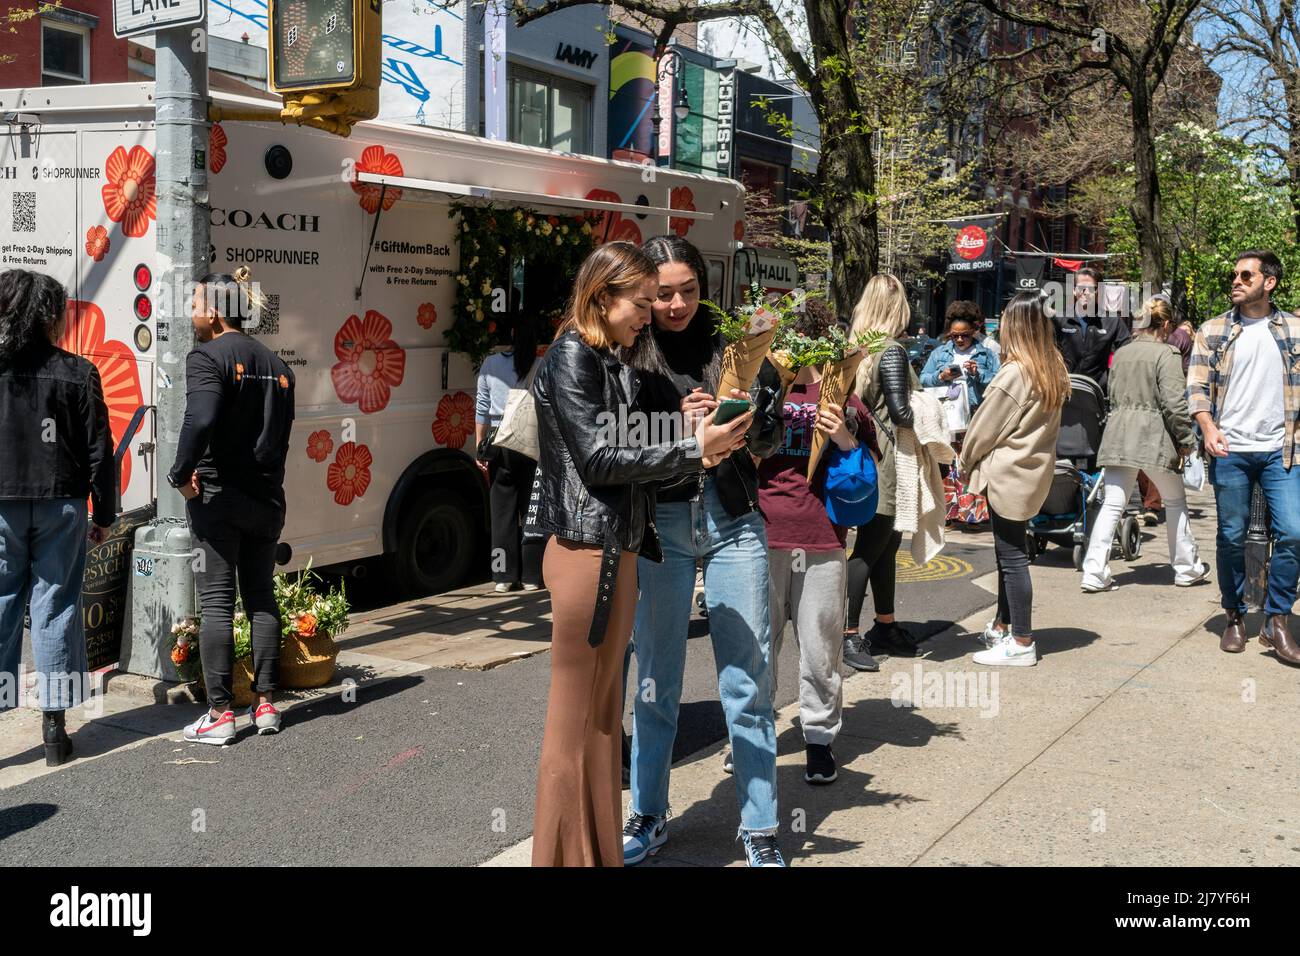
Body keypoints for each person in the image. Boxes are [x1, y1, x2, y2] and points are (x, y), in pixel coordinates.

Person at [524, 242, 754, 866]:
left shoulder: (605, 357)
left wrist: (682, 431)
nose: (650, 314)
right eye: (642, 302)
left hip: (614, 546)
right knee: (574, 722)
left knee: (601, 721)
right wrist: (691, 450)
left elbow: (619, 443)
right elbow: (598, 460)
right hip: (585, 549)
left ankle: (594, 854)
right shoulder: (574, 353)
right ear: (603, 296)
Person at [620, 235, 786, 868]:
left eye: (688, 289)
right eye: (663, 292)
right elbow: (615, 441)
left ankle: (761, 826)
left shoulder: (739, 346)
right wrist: (681, 429)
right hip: (662, 522)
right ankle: (650, 814)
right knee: (656, 681)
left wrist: (738, 419)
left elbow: (771, 438)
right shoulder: (633, 350)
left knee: (747, 679)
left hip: (732, 518)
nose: (676, 302)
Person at [169, 267, 296, 744]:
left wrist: (180, 476)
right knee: (261, 597)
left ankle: (221, 714)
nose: (192, 310)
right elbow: (281, 441)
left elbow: (199, 419)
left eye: (197, 301)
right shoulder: (280, 368)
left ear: (217, 310)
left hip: (217, 498)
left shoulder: (205, 358)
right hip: (266, 500)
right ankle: (266, 705)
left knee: (218, 602)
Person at [760, 304, 878, 786]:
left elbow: (870, 455)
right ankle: (752, 736)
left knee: (820, 648)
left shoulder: (843, 393)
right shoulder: (762, 384)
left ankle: (819, 740)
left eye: (809, 338)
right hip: (760, 533)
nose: (797, 347)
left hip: (822, 537)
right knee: (756, 647)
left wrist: (845, 436)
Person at [0, 270, 114, 765]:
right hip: (62, 503)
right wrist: (105, 512)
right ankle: (54, 726)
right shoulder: (77, 372)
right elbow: (99, 451)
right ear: (51, 315)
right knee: (57, 606)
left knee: (2, 604)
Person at [1188, 249, 1300, 664]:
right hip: (1230, 448)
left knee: (1293, 532)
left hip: (1281, 451)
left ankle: (1277, 620)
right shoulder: (1213, 330)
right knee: (1231, 536)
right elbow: (1197, 388)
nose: (1236, 281)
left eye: (1245, 275)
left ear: (1268, 283)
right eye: (1235, 275)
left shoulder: (1294, 330)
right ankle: (1234, 614)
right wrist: (1208, 428)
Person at [960, 292, 1071, 666]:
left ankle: (1021, 640)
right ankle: (1006, 625)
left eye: (1006, 317)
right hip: (1033, 472)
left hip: (1008, 473)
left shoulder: (1016, 372)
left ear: (1018, 325)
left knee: (1011, 558)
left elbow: (983, 428)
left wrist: (965, 460)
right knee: (1013, 552)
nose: (1001, 323)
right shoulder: (1052, 365)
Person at [1080, 298, 1209, 592]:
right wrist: (1187, 441)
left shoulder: (1122, 353)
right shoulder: (1168, 353)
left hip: (1120, 432)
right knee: (1175, 501)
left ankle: (1094, 571)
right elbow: (1174, 404)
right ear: (1165, 325)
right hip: (1154, 435)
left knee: (1112, 503)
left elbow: (1111, 392)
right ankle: (1187, 568)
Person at [844, 273, 921, 662]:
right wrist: (934, 408)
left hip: (865, 454)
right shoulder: (892, 351)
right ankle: (847, 633)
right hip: (887, 460)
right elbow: (901, 412)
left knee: (886, 546)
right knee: (871, 547)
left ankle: (885, 624)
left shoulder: (859, 347)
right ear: (897, 306)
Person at [475, 319, 544, 593]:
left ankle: (503, 576)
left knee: (501, 511)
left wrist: (479, 443)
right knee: (532, 509)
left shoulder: (491, 363)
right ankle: (531, 576)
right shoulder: (540, 365)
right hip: (530, 442)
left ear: (512, 332)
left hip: (499, 442)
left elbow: (481, 405)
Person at [1053, 266, 1130, 392]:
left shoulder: (1112, 321)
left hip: (1097, 393)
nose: (1086, 292)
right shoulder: (1059, 319)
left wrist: (1111, 379)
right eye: (1081, 288)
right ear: (1073, 290)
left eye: (1091, 288)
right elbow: (1046, 352)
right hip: (1062, 392)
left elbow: (1127, 353)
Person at [920, 300, 1000, 412]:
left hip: (976, 412)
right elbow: (923, 379)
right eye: (955, 335)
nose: (959, 339)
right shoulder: (938, 353)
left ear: (973, 332)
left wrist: (978, 374)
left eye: (965, 335)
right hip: (946, 410)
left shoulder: (987, 354)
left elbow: (998, 382)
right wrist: (941, 377)